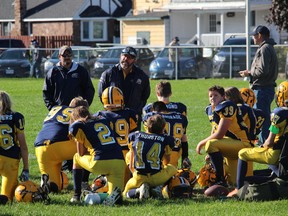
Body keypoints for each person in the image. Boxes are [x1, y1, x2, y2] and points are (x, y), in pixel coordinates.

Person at [227, 81, 288, 197]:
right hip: (285, 156)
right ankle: (274, 175)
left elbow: (269, 142)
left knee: (242, 153)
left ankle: (238, 189)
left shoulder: (279, 114)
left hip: (276, 154)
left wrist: (263, 146)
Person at [196, 85, 252, 187]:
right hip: (230, 143)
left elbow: (220, 133)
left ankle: (220, 180)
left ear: (223, 97)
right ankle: (221, 178)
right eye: (210, 96)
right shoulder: (211, 109)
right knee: (234, 183)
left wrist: (201, 143)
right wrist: (210, 152)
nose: (212, 98)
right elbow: (215, 130)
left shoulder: (227, 106)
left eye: (216, 95)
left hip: (243, 144)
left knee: (210, 144)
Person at [69, 106, 125, 205]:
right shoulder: (104, 120)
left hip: (100, 161)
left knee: (76, 158)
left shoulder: (79, 125)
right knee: (116, 197)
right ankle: (97, 197)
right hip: (119, 161)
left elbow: (81, 153)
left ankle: (77, 195)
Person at [34, 96, 89, 193]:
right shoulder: (77, 112)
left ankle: (48, 183)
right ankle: (84, 182)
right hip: (59, 145)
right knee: (91, 146)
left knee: (55, 188)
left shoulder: (56, 109)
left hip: (40, 147)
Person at [239, 25, 278, 145]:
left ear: (260, 35)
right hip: (265, 88)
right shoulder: (268, 47)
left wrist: (249, 72)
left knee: (262, 117)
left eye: (254, 36)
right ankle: (264, 141)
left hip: (262, 88)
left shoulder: (265, 48)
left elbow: (262, 71)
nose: (253, 38)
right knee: (263, 116)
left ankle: (264, 142)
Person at [123, 114, 177, 200]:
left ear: (146, 126)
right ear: (163, 127)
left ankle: (138, 190)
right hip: (157, 177)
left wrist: (134, 173)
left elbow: (131, 163)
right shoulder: (166, 139)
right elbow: (167, 161)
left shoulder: (135, 136)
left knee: (125, 193)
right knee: (172, 168)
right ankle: (158, 188)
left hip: (139, 177)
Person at [98, 46, 150, 130]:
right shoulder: (109, 74)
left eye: (129, 57)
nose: (125, 59)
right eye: (124, 55)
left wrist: (136, 110)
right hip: (113, 117)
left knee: (133, 142)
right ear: (120, 56)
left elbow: (145, 96)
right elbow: (101, 94)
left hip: (133, 118)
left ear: (134, 60)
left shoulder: (141, 76)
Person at [95, 86, 138, 185]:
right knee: (125, 183)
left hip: (107, 153)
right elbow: (134, 136)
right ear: (121, 99)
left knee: (109, 181)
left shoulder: (99, 115)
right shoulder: (129, 113)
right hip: (126, 154)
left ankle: (101, 184)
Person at [43, 45, 95, 111]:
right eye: (64, 55)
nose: (67, 57)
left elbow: (89, 90)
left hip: (77, 111)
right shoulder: (53, 72)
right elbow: (47, 93)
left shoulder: (81, 71)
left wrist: (84, 106)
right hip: (58, 112)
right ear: (59, 57)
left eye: (69, 55)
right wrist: (52, 108)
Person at [0, 91, 29, 202]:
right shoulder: (16, 117)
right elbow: (23, 146)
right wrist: (26, 169)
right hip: (10, 159)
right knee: (6, 198)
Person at [143, 101, 189, 168]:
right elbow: (184, 139)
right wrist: (185, 158)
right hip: (174, 154)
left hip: (158, 154)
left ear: (154, 110)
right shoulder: (181, 117)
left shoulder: (151, 117)